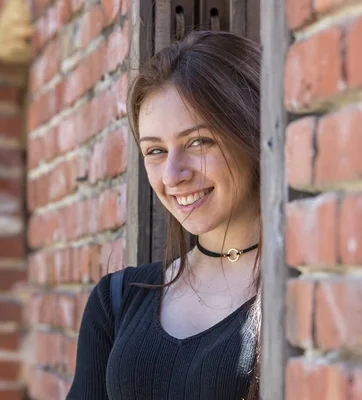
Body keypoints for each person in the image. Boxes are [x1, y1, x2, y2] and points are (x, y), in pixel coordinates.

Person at [67, 30, 262, 400]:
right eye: (155, 151)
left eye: (198, 142)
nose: (173, 175)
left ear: (250, 133)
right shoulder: (117, 300)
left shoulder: (303, 294)